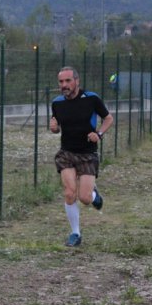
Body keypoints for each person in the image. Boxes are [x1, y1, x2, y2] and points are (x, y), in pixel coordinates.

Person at [50, 66, 114, 247]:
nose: (64, 85)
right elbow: (56, 126)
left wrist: (99, 134)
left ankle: (94, 195)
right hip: (66, 153)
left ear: (77, 81)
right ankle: (75, 233)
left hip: (87, 153)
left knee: (84, 198)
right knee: (70, 193)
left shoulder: (91, 98)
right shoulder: (57, 103)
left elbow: (108, 118)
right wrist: (54, 129)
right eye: (61, 82)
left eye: (68, 81)